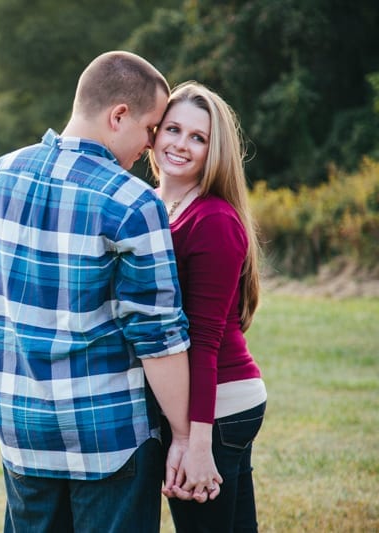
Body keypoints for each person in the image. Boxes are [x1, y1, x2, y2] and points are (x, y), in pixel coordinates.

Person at [0, 51, 217, 533]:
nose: (151, 144)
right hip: (110, 438)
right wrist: (183, 435)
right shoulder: (133, 202)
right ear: (119, 115)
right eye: (150, 128)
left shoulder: (0, 174)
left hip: (20, 429)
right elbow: (158, 337)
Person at [151, 81, 268, 532]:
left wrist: (195, 439)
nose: (181, 144)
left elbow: (203, 341)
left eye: (197, 137)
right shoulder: (156, 205)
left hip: (218, 407)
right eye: (173, 129)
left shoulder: (213, 219)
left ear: (213, 149)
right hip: (199, 406)